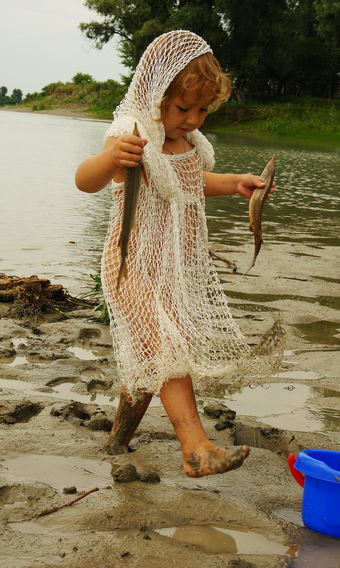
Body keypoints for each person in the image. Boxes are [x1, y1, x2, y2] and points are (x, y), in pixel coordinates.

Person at [75, 30, 282, 478]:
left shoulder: (188, 146)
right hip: (130, 264)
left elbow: (192, 186)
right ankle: (195, 447)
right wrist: (113, 159)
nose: (192, 119)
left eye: (203, 110)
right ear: (154, 97)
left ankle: (117, 441)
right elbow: (85, 180)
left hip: (170, 269)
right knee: (168, 347)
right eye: (183, 108)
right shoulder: (134, 135)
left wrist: (235, 184)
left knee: (150, 355)